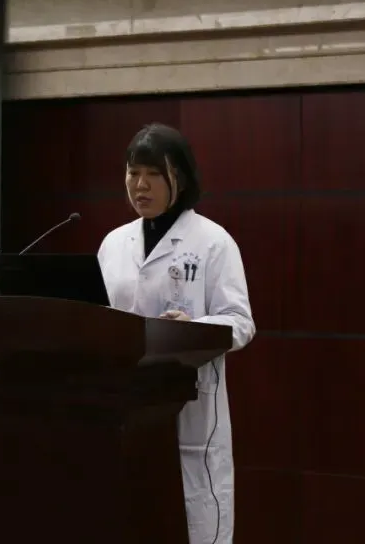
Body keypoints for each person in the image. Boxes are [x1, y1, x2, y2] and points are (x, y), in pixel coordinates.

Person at [96, 122, 256, 544]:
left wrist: (193, 330)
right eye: (133, 173)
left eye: (153, 174)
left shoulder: (213, 242)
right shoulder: (113, 244)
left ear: (179, 179)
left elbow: (240, 322)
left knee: (192, 524)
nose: (140, 185)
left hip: (188, 411)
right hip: (126, 410)